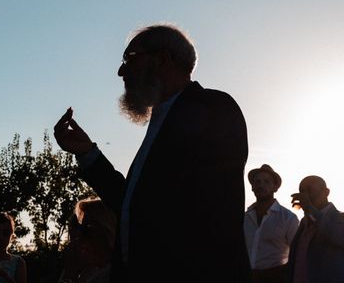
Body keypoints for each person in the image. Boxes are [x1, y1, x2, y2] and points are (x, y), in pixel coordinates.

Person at [54, 24, 251, 282]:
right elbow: (134, 205)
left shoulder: (212, 108)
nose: (121, 71)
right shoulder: (162, 121)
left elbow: (208, 215)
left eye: (130, 59)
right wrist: (88, 154)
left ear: (162, 59)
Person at [244, 164, 299, 283]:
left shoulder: (288, 218)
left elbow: (297, 256)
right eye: (257, 182)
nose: (261, 185)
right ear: (252, 187)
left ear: (275, 187)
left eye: (266, 182)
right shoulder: (244, 218)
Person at [287, 175, 344, 283]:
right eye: (302, 191)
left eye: (309, 190)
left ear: (326, 192)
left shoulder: (340, 218)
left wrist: (310, 209)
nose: (305, 195)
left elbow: (338, 236)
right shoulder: (304, 222)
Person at [59, 197, 116, 283]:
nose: (80, 236)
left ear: (107, 231)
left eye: (88, 228)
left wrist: (70, 275)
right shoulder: (88, 274)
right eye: (80, 228)